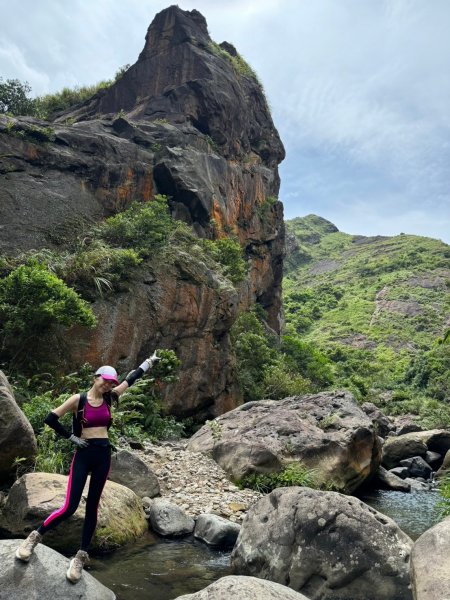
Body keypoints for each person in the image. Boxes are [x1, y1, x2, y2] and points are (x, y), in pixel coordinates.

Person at [15, 351, 160, 583]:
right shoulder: (78, 400)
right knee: (70, 507)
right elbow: (50, 418)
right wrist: (71, 438)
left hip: (103, 455)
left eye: (111, 383)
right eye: (105, 381)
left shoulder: (111, 398)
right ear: (96, 377)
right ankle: (33, 538)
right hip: (83, 455)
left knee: (92, 507)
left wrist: (149, 362)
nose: (108, 385)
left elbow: (131, 379)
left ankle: (80, 557)